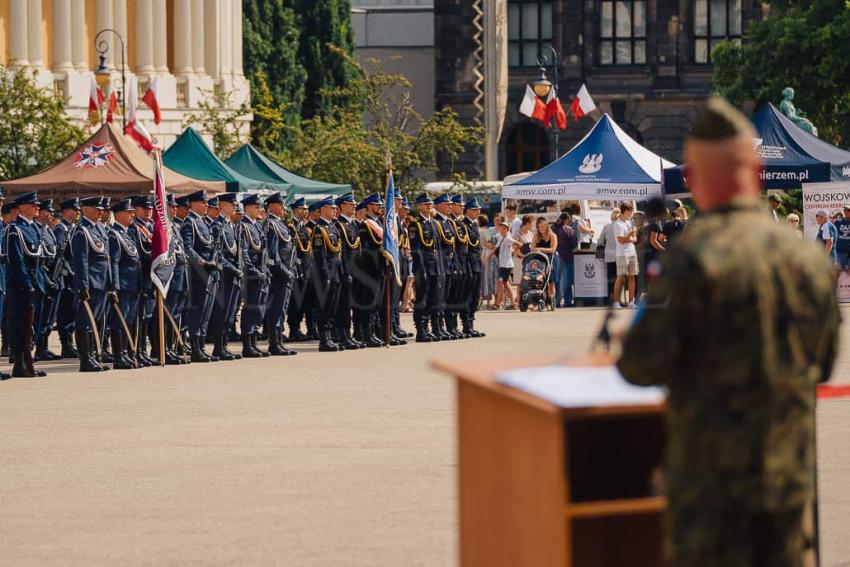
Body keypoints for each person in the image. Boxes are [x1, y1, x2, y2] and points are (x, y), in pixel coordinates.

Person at [618, 97, 840, 566]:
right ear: (757, 174)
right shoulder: (806, 260)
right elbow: (821, 364)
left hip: (709, 483)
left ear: (695, 180)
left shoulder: (691, 259)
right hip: (784, 478)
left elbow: (640, 365)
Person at [6, 192, 46, 378]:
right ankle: (20, 363)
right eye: (33, 205)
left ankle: (28, 360)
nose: (37, 208)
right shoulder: (15, 229)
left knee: (33, 323)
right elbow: (17, 260)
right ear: (22, 207)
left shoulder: (35, 228)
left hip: (36, 281)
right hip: (21, 284)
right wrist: (26, 283)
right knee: (20, 323)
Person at [72, 196, 112, 373]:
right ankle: (85, 360)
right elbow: (81, 261)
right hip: (91, 281)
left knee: (97, 321)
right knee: (85, 321)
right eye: (97, 209)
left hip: (102, 282)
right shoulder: (82, 231)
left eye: (101, 209)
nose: (100, 212)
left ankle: (94, 356)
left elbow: (107, 258)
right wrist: (83, 285)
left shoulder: (99, 229)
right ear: (86, 210)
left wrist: (111, 283)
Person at [208, 192, 244, 361]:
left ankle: (224, 345)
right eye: (231, 204)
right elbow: (218, 254)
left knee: (230, 312)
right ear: (222, 206)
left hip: (234, 274)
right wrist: (232, 269)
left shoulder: (231, 225)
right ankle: (218, 347)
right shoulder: (217, 226)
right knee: (222, 312)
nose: (234, 206)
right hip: (225, 275)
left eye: (234, 204)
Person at [106, 199, 141, 370]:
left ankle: (127, 353)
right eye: (129, 212)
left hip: (133, 284)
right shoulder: (114, 234)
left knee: (129, 320)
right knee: (119, 321)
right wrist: (115, 285)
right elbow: (114, 262)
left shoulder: (128, 233)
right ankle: (119, 356)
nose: (132, 215)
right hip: (123, 285)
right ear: (119, 214)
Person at [263, 192, 298, 356]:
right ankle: (274, 343)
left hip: (287, 272)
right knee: (276, 309)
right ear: (270, 206)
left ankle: (279, 341)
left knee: (282, 309)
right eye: (279, 205)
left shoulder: (281, 224)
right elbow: (273, 254)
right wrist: (284, 272)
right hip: (278, 275)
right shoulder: (270, 224)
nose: (282, 207)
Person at [311, 197, 345, 352]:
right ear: (323, 210)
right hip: (325, 275)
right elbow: (320, 256)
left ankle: (330, 337)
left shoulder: (333, 227)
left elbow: (338, 254)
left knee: (333, 306)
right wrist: (326, 276)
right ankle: (324, 339)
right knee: (324, 306)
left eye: (334, 208)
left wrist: (340, 272)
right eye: (331, 209)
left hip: (335, 272)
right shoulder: (319, 229)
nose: (334, 211)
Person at [240, 194, 271, 358]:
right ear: (247, 208)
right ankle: (247, 345)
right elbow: (244, 254)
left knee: (259, 309)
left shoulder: (257, 226)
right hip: (252, 275)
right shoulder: (243, 226)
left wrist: (265, 271)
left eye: (259, 207)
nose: (259, 210)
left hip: (261, 273)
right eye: (256, 207)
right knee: (251, 308)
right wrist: (254, 271)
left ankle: (254, 343)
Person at [408, 193, 441, 342]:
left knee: (432, 298)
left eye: (430, 204)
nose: (429, 206)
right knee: (421, 298)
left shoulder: (433, 223)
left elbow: (438, 247)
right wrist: (421, 270)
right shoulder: (416, 224)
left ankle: (427, 327)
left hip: (434, 265)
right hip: (423, 267)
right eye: (426, 204)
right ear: (420, 206)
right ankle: (420, 329)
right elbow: (416, 250)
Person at [334, 193, 365, 349]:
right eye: (350, 204)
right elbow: (342, 253)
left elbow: (357, 250)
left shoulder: (353, 224)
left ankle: (350, 334)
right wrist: (346, 272)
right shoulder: (339, 225)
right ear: (341, 206)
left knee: (352, 304)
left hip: (356, 270)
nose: (354, 206)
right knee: (343, 305)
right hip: (346, 271)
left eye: (354, 204)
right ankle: (342, 335)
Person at [54, 198, 80, 358]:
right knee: (65, 313)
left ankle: (69, 344)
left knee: (71, 312)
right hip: (66, 277)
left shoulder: (73, 228)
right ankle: (66, 345)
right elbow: (60, 256)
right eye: (74, 209)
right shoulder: (61, 229)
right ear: (65, 211)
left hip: (73, 276)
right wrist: (70, 272)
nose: (77, 212)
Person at [461, 198, 485, 337]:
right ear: (468, 210)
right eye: (475, 210)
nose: (478, 212)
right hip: (469, 263)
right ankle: (466, 325)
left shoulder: (474, 225)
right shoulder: (463, 224)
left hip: (476, 263)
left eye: (478, 210)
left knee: (475, 295)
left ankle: (471, 323)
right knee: (468, 295)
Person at [612, 203, 638, 308]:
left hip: (632, 252)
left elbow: (635, 239)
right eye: (630, 211)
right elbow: (621, 240)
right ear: (625, 211)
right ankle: (616, 302)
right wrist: (631, 234)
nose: (631, 214)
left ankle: (631, 302)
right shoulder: (617, 224)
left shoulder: (629, 222)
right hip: (622, 254)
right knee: (621, 278)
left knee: (632, 277)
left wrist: (630, 236)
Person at [531, 217, 558, 308]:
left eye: (543, 226)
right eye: (539, 227)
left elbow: (553, 249)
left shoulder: (552, 236)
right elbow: (532, 249)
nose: (541, 228)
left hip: (551, 260)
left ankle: (552, 300)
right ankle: (542, 301)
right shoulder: (535, 236)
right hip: (540, 261)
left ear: (547, 226)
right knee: (540, 282)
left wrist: (540, 249)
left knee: (551, 282)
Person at [552, 213, 577, 308]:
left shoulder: (554, 228)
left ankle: (556, 300)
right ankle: (567, 301)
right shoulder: (568, 229)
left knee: (557, 279)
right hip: (567, 256)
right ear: (567, 219)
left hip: (556, 256)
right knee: (567, 280)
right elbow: (574, 242)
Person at [596, 208, 620, 301]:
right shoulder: (623, 226)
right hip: (620, 255)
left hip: (609, 255)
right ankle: (618, 298)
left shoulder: (607, 227)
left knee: (610, 278)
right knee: (619, 278)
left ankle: (611, 297)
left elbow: (600, 241)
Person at [493, 221, 518, 310]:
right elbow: (496, 248)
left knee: (502, 284)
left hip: (506, 265)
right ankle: (512, 304)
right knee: (505, 284)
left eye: (504, 229)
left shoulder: (508, 238)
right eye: (501, 228)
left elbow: (519, 244)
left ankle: (498, 304)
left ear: (507, 230)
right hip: (503, 264)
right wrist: (487, 257)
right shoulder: (501, 238)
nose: (502, 230)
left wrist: (513, 251)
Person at [833, 204, 850, 269]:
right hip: (840, 252)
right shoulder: (838, 222)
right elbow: (833, 236)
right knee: (839, 272)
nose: (846, 212)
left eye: (848, 210)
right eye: (845, 210)